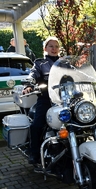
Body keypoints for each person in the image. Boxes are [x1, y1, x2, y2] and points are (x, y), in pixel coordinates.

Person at [23, 36, 60, 164]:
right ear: (45, 48)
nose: (54, 49)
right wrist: (29, 84)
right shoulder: (40, 63)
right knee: (37, 125)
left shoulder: (65, 63)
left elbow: (75, 74)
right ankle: (34, 154)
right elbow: (33, 74)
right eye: (51, 46)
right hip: (46, 99)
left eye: (56, 46)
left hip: (64, 100)